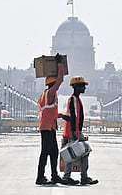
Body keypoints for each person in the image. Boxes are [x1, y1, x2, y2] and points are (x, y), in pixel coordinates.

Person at [35, 54, 69, 185]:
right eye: (55, 83)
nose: (57, 85)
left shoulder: (47, 95)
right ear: (52, 84)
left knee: (53, 152)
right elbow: (60, 79)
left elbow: (50, 111)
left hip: (49, 126)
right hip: (47, 127)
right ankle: (40, 177)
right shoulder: (50, 93)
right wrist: (60, 63)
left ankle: (54, 175)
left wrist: (61, 115)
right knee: (45, 152)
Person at [61, 76, 98, 185]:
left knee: (74, 152)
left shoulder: (76, 99)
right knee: (77, 152)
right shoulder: (73, 99)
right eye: (82, 86)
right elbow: (73, 116)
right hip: (73, 131)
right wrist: (75, 132)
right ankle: (79, 177)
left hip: (74, 131)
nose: (84, 88)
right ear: (76, 87)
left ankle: (69, 176)